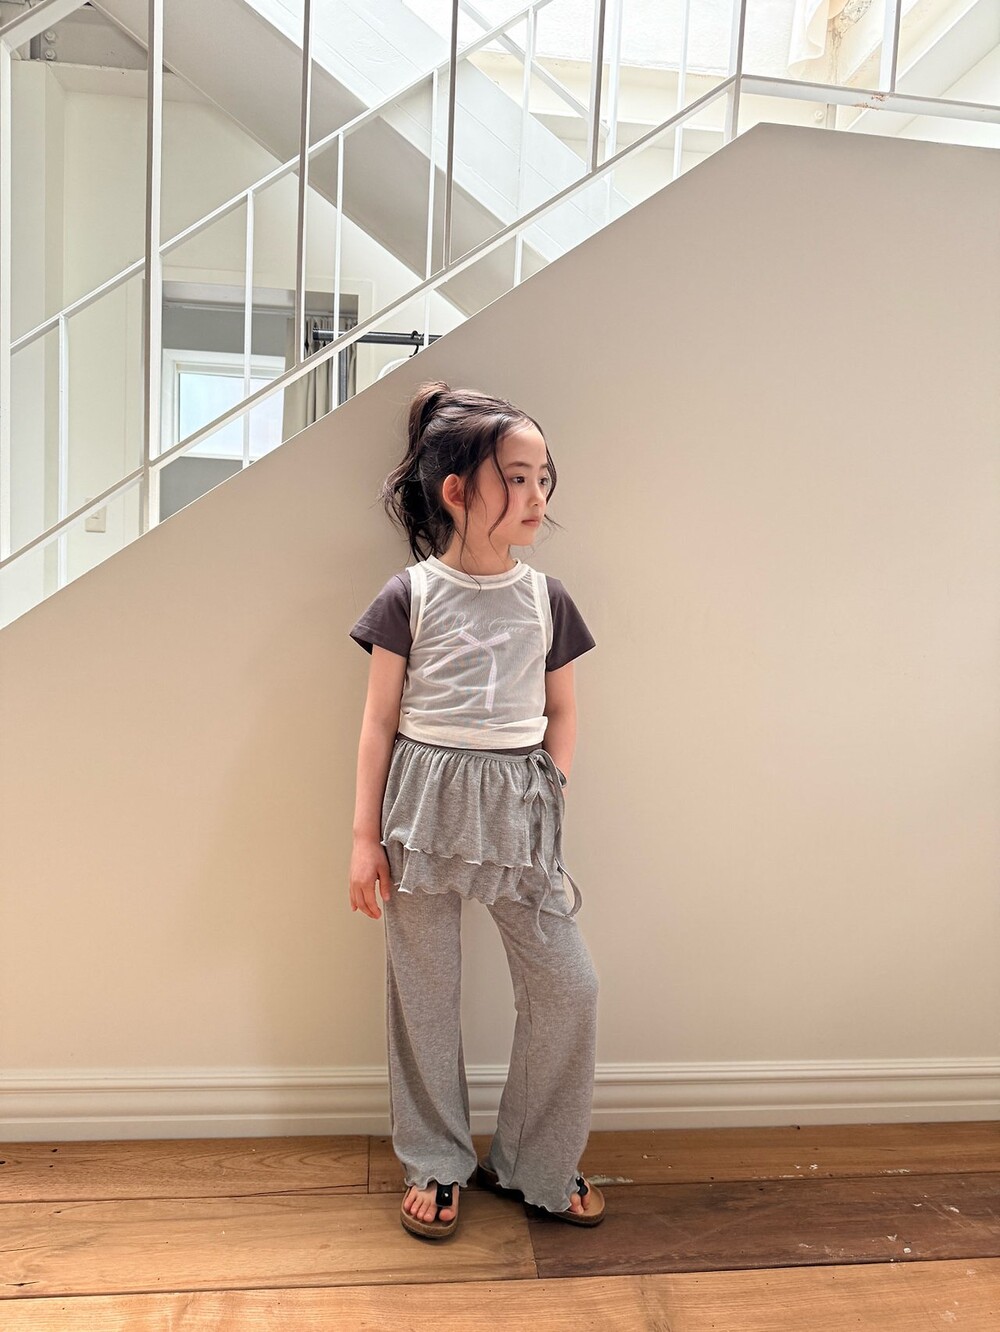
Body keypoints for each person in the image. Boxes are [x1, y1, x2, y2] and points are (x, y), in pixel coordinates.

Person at [348, 381, 603, 1240]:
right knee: (425, 993)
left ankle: (536, 1159)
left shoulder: (547, 599)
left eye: (543, 478)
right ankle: (435, 1160)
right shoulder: (409, 596)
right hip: (421, 806)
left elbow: (563, 711)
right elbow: (378, 722)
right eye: (516, 478)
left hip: (519, 809)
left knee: (568, 986)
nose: (537, 496)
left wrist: (548, 791)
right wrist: (363, 838)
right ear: (457, 490)